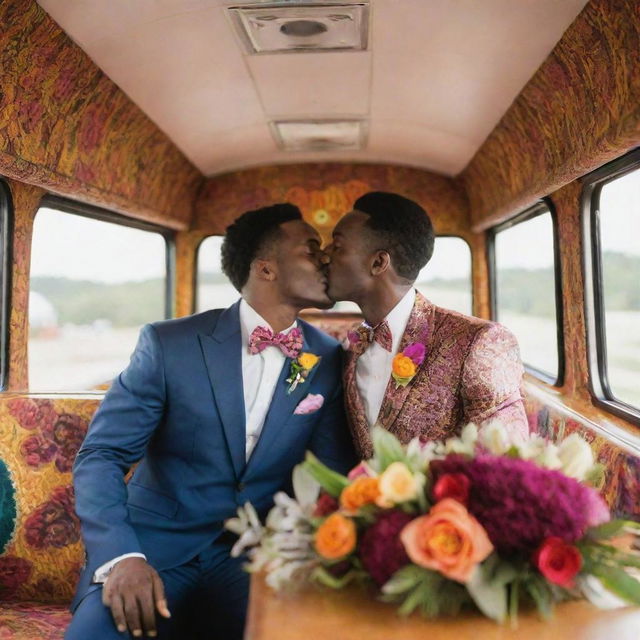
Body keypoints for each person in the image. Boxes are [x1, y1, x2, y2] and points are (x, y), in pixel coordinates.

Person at [66, 204, 355, 640]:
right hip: (152, 549)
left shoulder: (329, 360)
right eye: (310, 249)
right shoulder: (169, 344)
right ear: (266, 269)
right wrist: (122, 556)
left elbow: (329, 474)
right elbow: (101, 455)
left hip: (255, 559)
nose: (325, 258)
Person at [324, 191, 529, 459]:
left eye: (336, 247)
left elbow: (507, 463)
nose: (324, 256)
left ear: (378, 263)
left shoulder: (479, 343)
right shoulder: (349, 349)